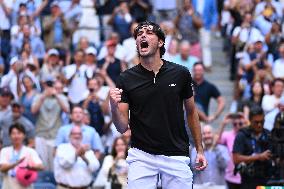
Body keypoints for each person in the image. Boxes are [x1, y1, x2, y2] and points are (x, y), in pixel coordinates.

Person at [109, 21, 207, 188]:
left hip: (176, 154)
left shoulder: (181, 73)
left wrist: (199, 149)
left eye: (148, 32)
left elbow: (191, 112)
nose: (142, 36)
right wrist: (113, 106)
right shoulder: (125, 78)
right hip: (142, 156)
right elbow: (122, 127)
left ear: (161, 42)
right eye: (139, 34)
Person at [233, 106, 273, 189]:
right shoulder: (242, 135)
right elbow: (236, 158)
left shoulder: (268, 135)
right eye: (256, 122)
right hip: (249, 180)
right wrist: (258, 157)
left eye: (262, 122)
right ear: (250, 121)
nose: (259, 125)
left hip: (267, 179)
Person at [0, 123, 44, 189]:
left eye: (19, 133)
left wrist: (30, 167)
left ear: (24, 135)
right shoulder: (5, 151)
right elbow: (2, 169)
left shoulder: (30, 151)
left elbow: (41, 167)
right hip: (8, 186)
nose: (16, 136)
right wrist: (15, 164)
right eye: (13, 133)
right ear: (10, 136)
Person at [216, 113, 247, 189]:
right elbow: (217, 141)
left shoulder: (247, 135)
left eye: (240, 124)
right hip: (231, 176)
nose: (238, 126)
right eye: (235, 124)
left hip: (246, 175)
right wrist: (223, 124)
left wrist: (246, 120)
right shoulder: (228, 135)